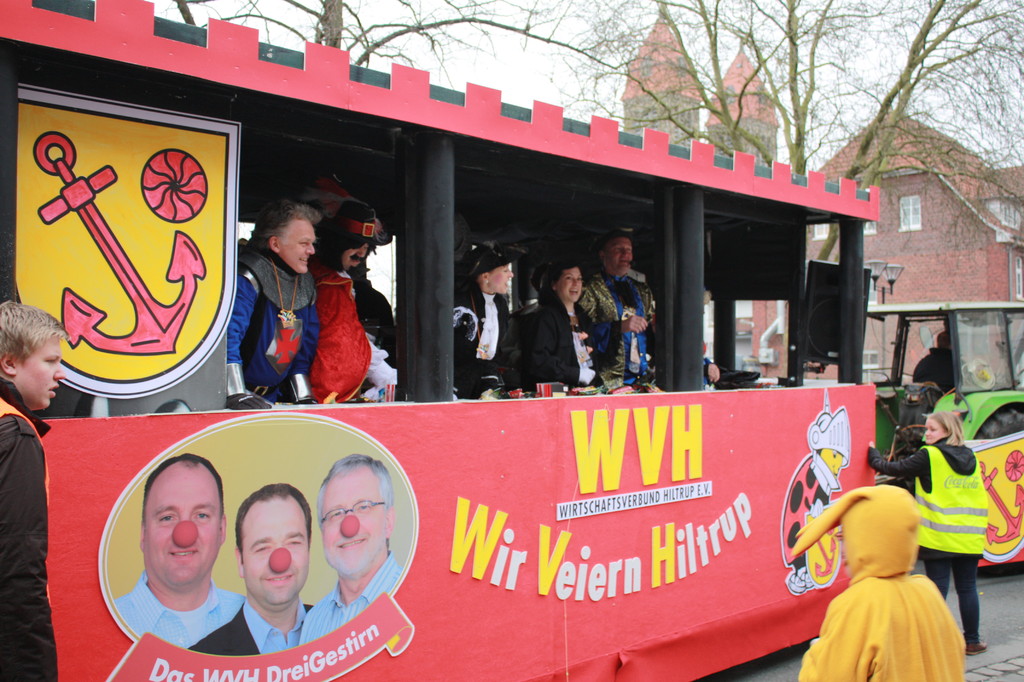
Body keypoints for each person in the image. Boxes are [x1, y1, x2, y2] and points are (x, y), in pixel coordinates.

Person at [795, 485, 967, 681]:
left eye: (846, 536)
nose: (841, 549)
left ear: (866, 538)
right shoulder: (928, 591)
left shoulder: (858, 603)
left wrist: (817, 652)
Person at [867, 410, 988, 655]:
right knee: (967, 588)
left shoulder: (930, 455)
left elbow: (893, 468)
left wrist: (873, 455)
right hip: (970, 536)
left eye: (932, 430)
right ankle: (973, 641)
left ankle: (934, 644)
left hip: (939, 536)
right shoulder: (971, 457)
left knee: (935, 592)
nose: (926, 435)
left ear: (947, 431)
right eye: (926, 429)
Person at [0, 301, 67, 681]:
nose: (61, 374)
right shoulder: (14, 432)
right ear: (9, 364)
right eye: (50, 361)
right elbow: (17, 562)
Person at [115, 454, 245, 648]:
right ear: (143, 533)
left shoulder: (254, 618)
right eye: (167, 517)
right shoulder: (107, 621)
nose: (184, 535)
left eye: (201, 515)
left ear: (222, 529)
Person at [191, 484, 312, 656]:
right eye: (262, 548)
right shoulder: (202, 661)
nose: (280, 562)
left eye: (293, 542)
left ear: (308, 548)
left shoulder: (340, 634)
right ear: (240, 561)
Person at [226, 199, 322, 409]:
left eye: (312, 243)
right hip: (235, 401)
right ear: (275, 244)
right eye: (304, 243)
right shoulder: (247, 277)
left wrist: (303, 396)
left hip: (274, 398)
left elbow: (304, 348)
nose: (312, 251)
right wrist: (234, 392)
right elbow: (228, 338)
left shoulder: (305, 284)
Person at [300, 454, 403, 643]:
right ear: (322, 533)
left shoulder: (417, 597)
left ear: (388, 522)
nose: (349, 526)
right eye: (335, 513)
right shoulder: (313, 623)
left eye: (363, 507)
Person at [309, 198, 397, 403]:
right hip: (322, 392)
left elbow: (350, 334)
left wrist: (383, 373)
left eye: (366, 246)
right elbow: (337, 337)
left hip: (340, 392)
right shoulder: (321, 281)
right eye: (355, 244)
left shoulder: (339, 280)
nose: (362, 253)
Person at [578, 229, 655, 388]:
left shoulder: (642, 290)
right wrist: (618, 327)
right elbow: (582, 334)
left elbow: (650, 330)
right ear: (603, 255)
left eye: (629, 250)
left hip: (642, 378)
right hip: (606, 380)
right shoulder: (590, 289)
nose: (625, 254)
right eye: (618, 249)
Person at [453, 242, 520, 398]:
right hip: (455, 385)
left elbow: (492, 355)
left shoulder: (501, 305)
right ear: (485, 276)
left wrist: (490, 383)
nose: (511, 275)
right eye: (505, 270)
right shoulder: (459, 303)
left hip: (487, 381)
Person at [526, 261, 599, 388]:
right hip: (555, 393)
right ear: (554, 284)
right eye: (569, 278)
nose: (576, 283)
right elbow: (538, 360)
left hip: (585, 391)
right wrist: (576, 374)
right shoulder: (545, 317)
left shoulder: (584, 318)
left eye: (579, 279)